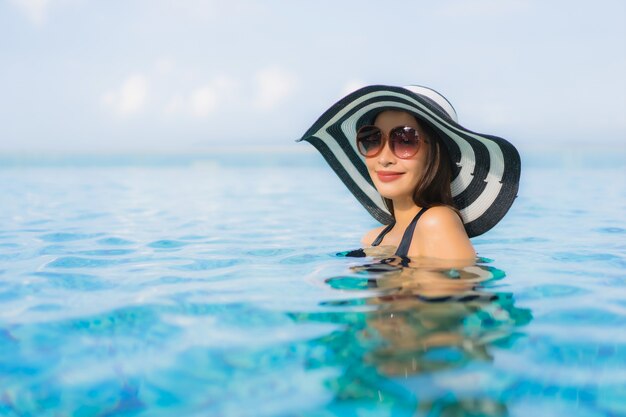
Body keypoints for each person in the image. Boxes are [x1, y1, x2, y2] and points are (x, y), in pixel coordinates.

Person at [299, 85, 520, 261]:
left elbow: (451, 310)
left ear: (435, 154)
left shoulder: (437, 222)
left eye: (405, 140)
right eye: (372, 139)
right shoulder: (373, 238)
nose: (384, 158)